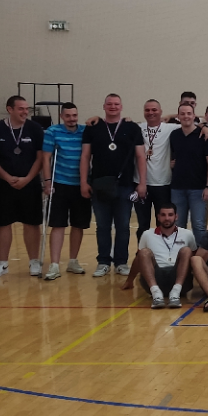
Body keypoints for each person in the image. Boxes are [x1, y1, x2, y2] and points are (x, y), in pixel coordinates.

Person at [81, 94, 146, 278]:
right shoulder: (93, 128)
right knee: (102, 226)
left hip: (125, 186)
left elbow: (140, 156)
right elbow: (85, 156)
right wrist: (84, 182)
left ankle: (121, 262)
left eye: (116, 104)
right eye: (109, 104)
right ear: (104, 106)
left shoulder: (132, 128)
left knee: (123, 226)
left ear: (121, 107)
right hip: (99, 185)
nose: (113, 106)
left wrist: (142, 182)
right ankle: (103, 262)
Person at [0, 96, 45, 278]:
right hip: (2, 184)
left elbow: (40, 158)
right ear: (9, 109)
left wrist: (28, 178)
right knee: (3, 223)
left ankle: (34, 261)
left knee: (32, 223)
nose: (25, 112)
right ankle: (2, 263)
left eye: (27, 109)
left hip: (30, 184)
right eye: (21, 109)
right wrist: (7, 177)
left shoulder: (35, 128)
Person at [41, 102, 90, 278]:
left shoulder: (85, 131)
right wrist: (47, 182)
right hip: (59, 183)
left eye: (74, 115)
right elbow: (46, 158)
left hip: (81, 185)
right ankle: (54, 264)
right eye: (68, 116)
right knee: (58, 224)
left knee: (78, 224)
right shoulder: (52, 132)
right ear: (62, 116)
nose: (71, 119)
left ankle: (73, 261)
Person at [131, 100, 180, 245]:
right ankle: (142, 253)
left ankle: (162, 253)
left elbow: (194, 122)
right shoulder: (137, 128)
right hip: (141, 184)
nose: (151, 113)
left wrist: (173, 115)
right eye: (147, 110)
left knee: (164, 224)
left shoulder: (170, 128)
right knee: (143, 225)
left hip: (163, 185)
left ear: (161, 111)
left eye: (154, 110)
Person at [132, 204, 195, 309]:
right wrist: (129, 281)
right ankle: (156, 294)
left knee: (186, 251)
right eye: (163, 215)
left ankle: (175, 293)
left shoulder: (187, 234)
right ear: (158, 217)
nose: (167, 218)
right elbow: (139, 260)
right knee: (143, 252)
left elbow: (195, 259)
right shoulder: (147, 234)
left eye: (170, 215)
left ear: (176, 216)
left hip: (180, 279)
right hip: (155, 278)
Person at [168, 104, 208, 231]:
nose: (186, 116)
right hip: (177, 188)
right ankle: (180, 246)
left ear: (194, 116)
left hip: (198, 188)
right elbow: (173, 156)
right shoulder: (174, 135)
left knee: (198, 225)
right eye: (182, 114)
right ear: (178, 117)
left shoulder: (205, 135)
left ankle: (200, 246)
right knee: (178, 225)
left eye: (189, 113)